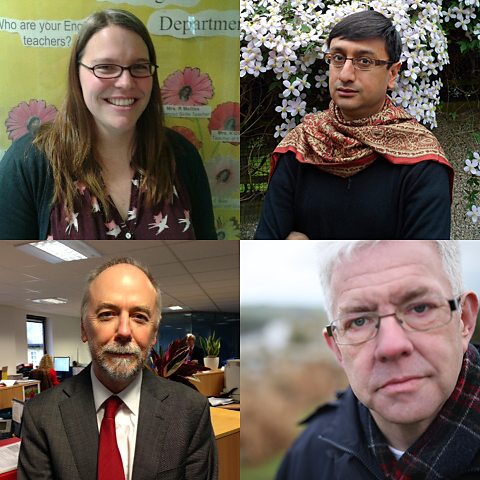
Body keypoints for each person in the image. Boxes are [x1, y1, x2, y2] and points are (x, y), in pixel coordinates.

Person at [0, 9, 216, 240]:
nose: (125, 82)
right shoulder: (28, 162)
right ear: (77, 73)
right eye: (105, 67)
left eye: (139, 67)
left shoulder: (182, 155)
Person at [276, 240, 480, 479]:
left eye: (420, 308)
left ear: (464, 320)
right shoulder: (309, 456)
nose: (391, 346)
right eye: (359, 321)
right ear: (338, 350)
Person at [255, 11, 452, 240]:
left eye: (364, 61)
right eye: (338, 58)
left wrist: (304, 248)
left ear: (392, 74)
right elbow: (265, 252)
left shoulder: (421, 162)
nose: (346, 75)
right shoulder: (302, 146)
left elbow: (420, 267)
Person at [18, 257, 217, 480]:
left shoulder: (191, 412)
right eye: (107, 314)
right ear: (84, 329)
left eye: (139, 317)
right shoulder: (41, 415)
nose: (124, 331)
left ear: (154, 336)